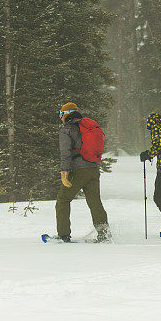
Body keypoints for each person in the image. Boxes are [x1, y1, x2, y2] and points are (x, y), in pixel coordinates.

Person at [56, 102, 111, 243]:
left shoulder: (66, 130)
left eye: (61, 114)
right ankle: (104, 234)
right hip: (93, 169)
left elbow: (66, 152)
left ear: (66, 115)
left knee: (63, 200)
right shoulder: (86, 127)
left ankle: (63, 235)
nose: (61, 117)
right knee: (95, 202)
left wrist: (64, 171)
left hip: (78, 170)